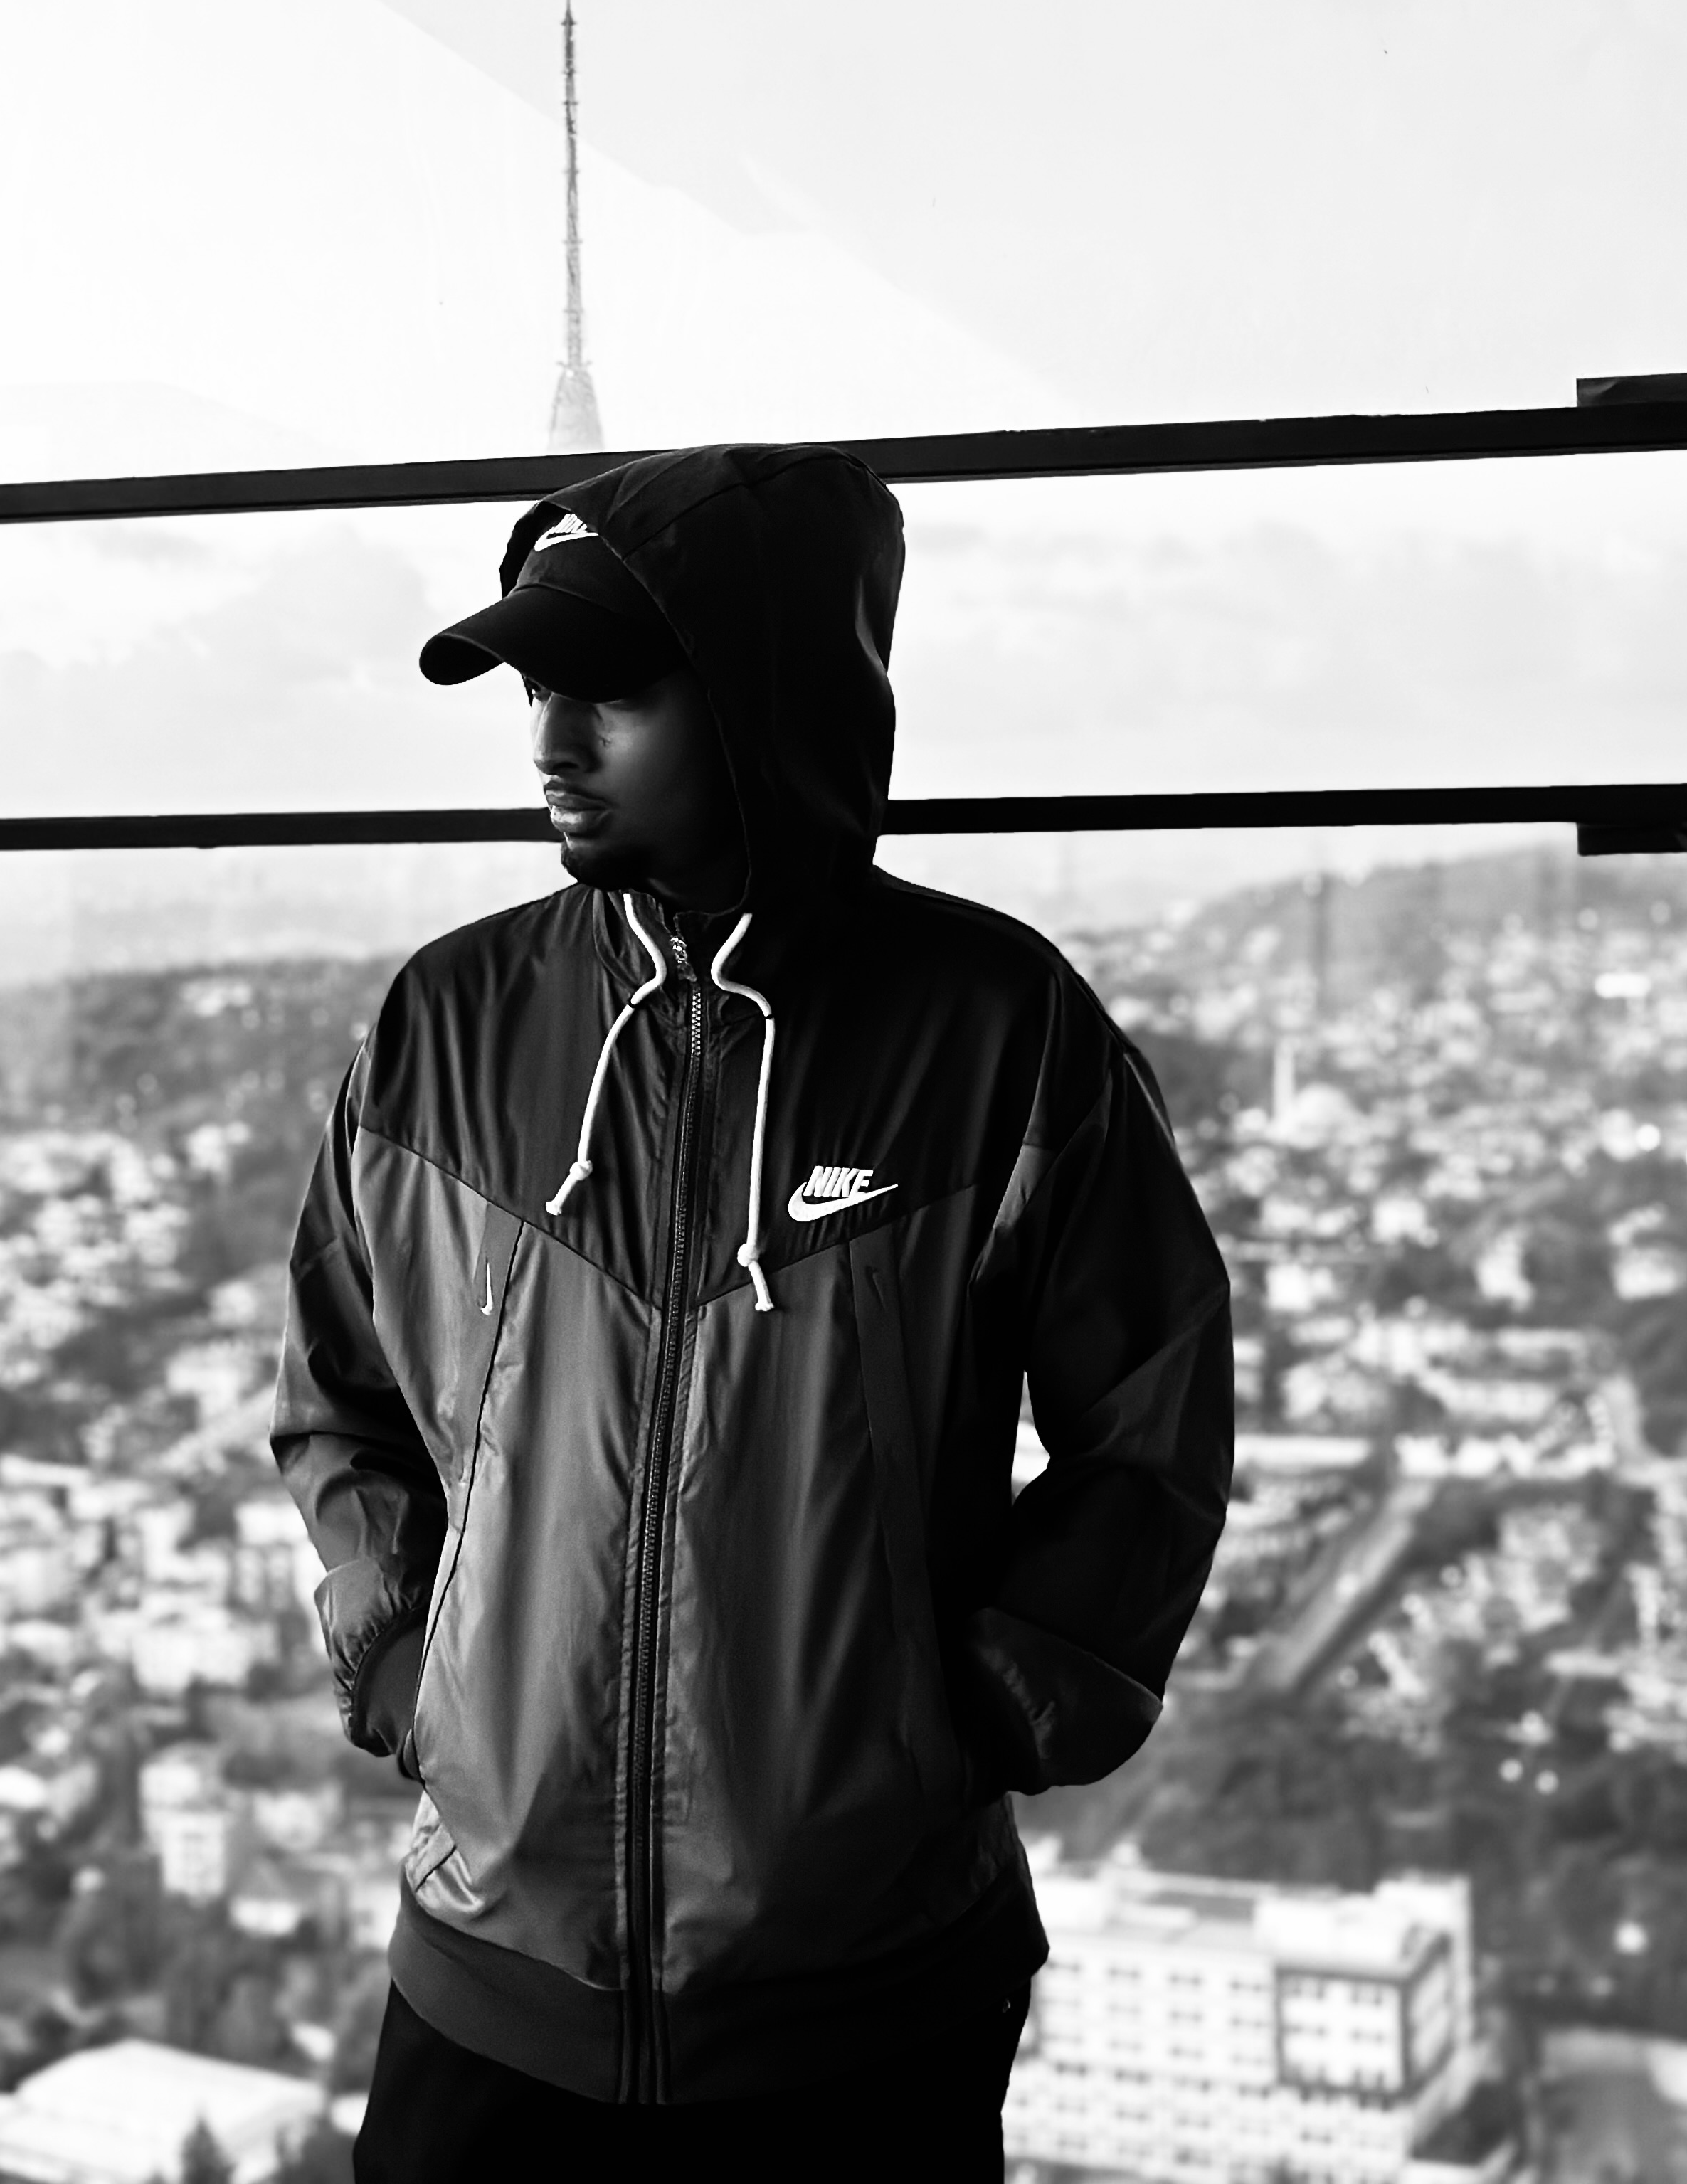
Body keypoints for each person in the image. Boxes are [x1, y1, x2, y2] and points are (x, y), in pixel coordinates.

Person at [270, 441, 1233, 2180]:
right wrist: (408, 1660)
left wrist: (991, 1704)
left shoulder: (996, 1031)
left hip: (866, 2006)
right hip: (493, 1980)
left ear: (772, 700)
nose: (553, 748)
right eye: (539, 697)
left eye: (612, 696)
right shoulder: (441, 1028)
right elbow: (337, 1393)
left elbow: (1152, 1417)